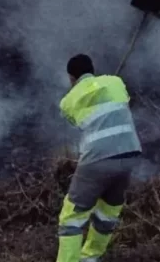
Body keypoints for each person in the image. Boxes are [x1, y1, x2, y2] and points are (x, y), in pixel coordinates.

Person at [56, 54, 142, 262]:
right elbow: (121, 102)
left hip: (98, 159)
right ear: (92, 70)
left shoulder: (67, 101)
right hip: (129, 154)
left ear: (71, 78)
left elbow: (76, 121)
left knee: (71, 218)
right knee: (108, 211)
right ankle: (91, 257)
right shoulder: (115, 82)